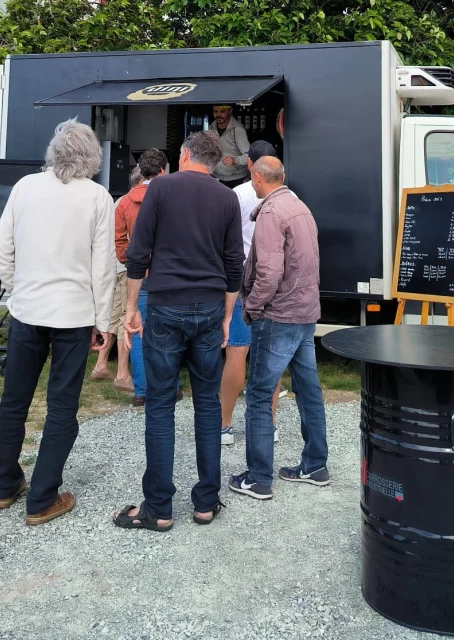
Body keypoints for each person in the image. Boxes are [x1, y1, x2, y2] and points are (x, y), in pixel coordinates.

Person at [113, 131, 244, 531]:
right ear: (217, 160)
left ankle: (159, 509)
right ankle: (205, 502)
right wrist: (226, 317)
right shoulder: (227, 197)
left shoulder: (160, 188)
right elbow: (234, 262)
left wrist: (132, 308)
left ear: (184, 154)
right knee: (207, 403)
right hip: (207, 308)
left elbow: (139, 254)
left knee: (160, 404)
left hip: (166, 305)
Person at [0, 119, 115, 525]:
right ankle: (42, 498)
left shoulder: (26, 187)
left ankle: (5, 486)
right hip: (74, 317)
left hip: (27, 311)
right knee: (62, 406)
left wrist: (16, 287)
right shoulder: (98, 197)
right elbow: (103, 267)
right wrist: (103, 321)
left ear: (54, 151)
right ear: (92, 157)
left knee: (14, 402)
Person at [229, 157, 329, 501]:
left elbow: (269, 272)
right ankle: (316, 465)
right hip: (305, 313)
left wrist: (253, 306)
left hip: (278, 315)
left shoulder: (271, 213)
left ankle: (258, 478)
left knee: (258, 394)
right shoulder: (299, 205)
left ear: (257, 177)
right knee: (309, 390)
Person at [220, 140, 286, 447]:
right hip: (277, 285)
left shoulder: (236, 195)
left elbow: (226, 241)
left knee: (237, 350)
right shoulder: (290, 196)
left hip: (243, 282)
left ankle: (224, 426)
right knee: (271, 355)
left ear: (250, 165)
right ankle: (268, 425)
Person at [112, 149, 168, 407]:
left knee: (137, 329)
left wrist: (129, 261)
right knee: (169, 331)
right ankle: (169, 387)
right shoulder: (170, 196)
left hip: (138, 274)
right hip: (167, 273)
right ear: (163, 170)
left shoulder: (124, 202)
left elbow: (119, 240)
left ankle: (141, 391)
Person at [89, 165, 143, 392]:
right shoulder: (131, 204)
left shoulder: (117, 202)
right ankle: (122, 373)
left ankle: (101, 365)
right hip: (125, 268)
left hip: (112, 267)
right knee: (125, 318)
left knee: (113, 316)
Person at [210, 104, 250, 188]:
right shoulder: (211, 128)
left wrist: (235, 160)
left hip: (236, 178)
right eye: (216, 112)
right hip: (216, 176)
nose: (218, 115)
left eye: (222, 111)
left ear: (230, 111)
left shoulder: (237, 129)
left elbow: (249, 155)